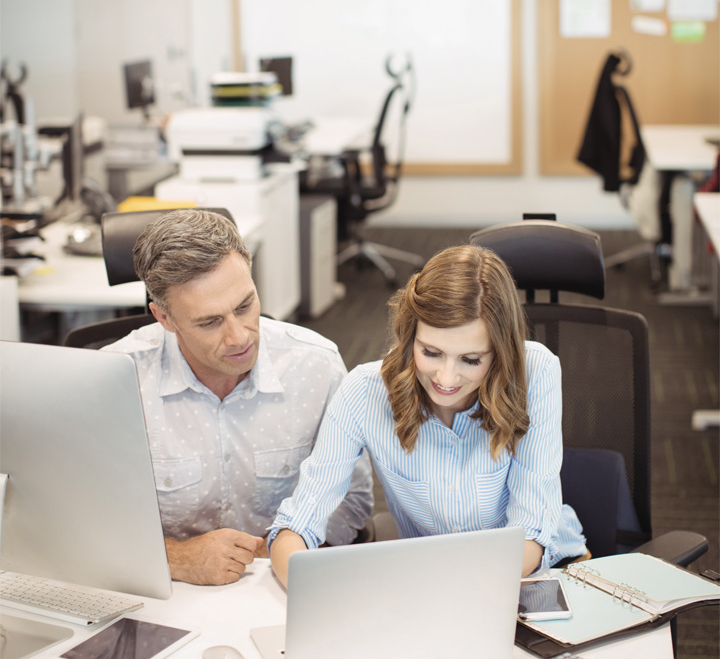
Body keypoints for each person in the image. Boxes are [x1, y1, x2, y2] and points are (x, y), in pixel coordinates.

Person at [269, 244, 587, 587]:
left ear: (501, 351)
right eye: (431, 353)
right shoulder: (364, 391)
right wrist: (303, 580)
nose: (446, 379)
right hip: (431, 582)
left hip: (536, 569)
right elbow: (300, 520)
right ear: (410, 336)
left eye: (471, 359)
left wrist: (453, 592)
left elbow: (532, 533)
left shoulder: (534, 372)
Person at [103, 209, 373, 586]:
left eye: (245, 306)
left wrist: (276, 553)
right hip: (164, 590)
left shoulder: (315, 366)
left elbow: (351, 499)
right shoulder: (115, 380)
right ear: (164, 318)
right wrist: (177, 559)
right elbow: (86, 518)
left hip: (283, 584)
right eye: (209, 321)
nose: (239, 337)